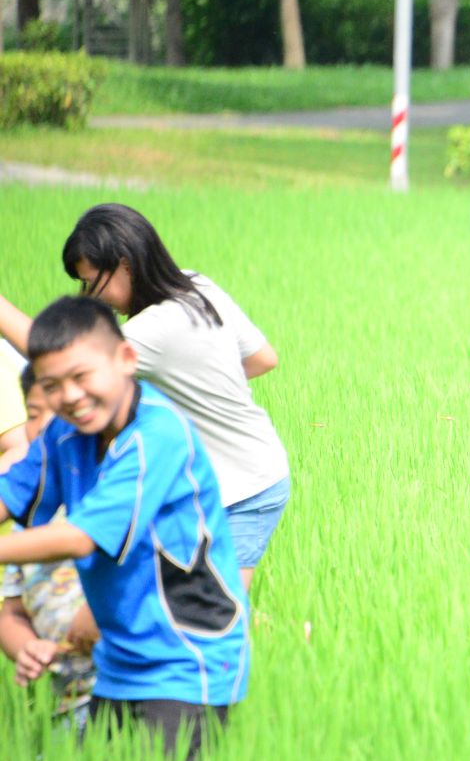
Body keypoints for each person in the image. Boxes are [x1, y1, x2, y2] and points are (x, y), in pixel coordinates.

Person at [0, 297, 249, 761]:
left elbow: (80, 537)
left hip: (186, 658)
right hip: (117, 661)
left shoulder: (158, 433)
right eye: (51, 386)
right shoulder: (65, 433)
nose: (69, 396)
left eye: (82, 376)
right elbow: (12, 495)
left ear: (126, 360)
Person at [0, 204, 290, 587]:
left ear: (125, 264)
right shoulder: (196, 285)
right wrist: (199, 388)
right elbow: (262, 359)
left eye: (92, 283)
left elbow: (59, 355)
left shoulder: (153, 329)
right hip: (246, 467)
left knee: (213, 610)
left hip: (242, 487)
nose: (92, 297)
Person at [0, 365, 96, 729]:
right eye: (34, 415)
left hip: (126, 685)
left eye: (58, 415)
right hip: (68, 698)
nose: (45, 428)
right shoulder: (28, 515)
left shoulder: (109, 494)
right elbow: (11, 612)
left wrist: (100, 610)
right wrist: (26, 647)